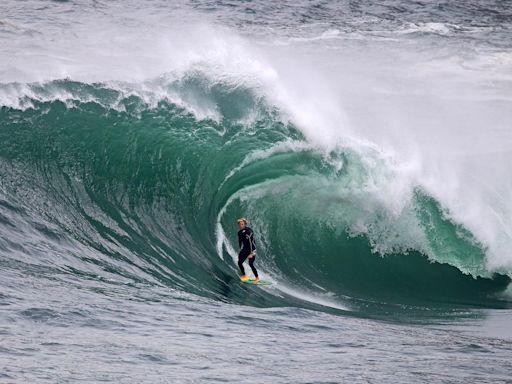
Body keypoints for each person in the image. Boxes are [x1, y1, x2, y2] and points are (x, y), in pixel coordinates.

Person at [237, 218, 259, 282]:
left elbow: (250, 241)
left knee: (251, 263)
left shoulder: (249, 231)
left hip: (252, 249)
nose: (240, 225)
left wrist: (251, 253)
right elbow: (240, 241)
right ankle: (244, 275)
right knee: (239, 262)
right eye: (240, 224)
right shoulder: (239, 232)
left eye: (242, 224)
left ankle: (257, 278)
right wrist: (240, 248)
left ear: (245, 224)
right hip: (245, 249)